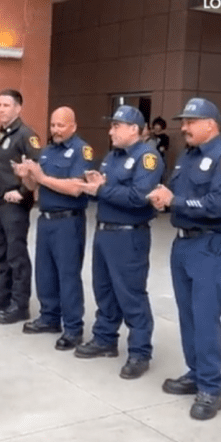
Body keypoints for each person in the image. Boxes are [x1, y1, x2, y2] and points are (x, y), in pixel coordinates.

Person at [148, 98, 221, 421]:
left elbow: (219, 205)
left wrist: (175, 201)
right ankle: (196, 372)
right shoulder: (188, 157)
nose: (184, 127)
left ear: (210, 124)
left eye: (191, 121)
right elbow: (178, 194)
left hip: (210, 244)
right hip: (183, 243)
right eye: (183, 121)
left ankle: (211, 387)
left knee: (205, 315)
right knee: (187, 313)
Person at [74, 105, 163, 379]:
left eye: (116, 126)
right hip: (105, 231)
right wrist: (94, 185)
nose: (110, 131)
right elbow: (107, 190)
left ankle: (139, 352)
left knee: (131, 293)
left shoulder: (147, 157)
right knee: (104, 289)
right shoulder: (112, 156)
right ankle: (104, 338)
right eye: (111, 125)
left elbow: (139, 197)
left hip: (129, 234)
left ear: (134, 129)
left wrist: (103, 189)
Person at [12, 107, 93, 350]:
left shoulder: (81, 150)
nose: (55, 130)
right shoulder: (47, 151)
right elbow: (35, 184)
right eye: (53, 125)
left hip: (68, 221)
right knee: (45, 272)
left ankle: (73, 328)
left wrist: (43, 177)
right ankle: (49, 317)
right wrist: (26, 175)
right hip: (46, 219)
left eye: (61, 125)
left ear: (73, 126)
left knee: (67, 275)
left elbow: (77, 187)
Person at [0, 89, 41, 324]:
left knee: (16, 255)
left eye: (6, 105)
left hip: (15, 206)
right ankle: (2, 296)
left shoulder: (26, 135)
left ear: (18, 108)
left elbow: (36, 168)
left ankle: (20, 304)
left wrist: (22, 191)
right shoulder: (1, 134)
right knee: (1, 253)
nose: (1, 109)